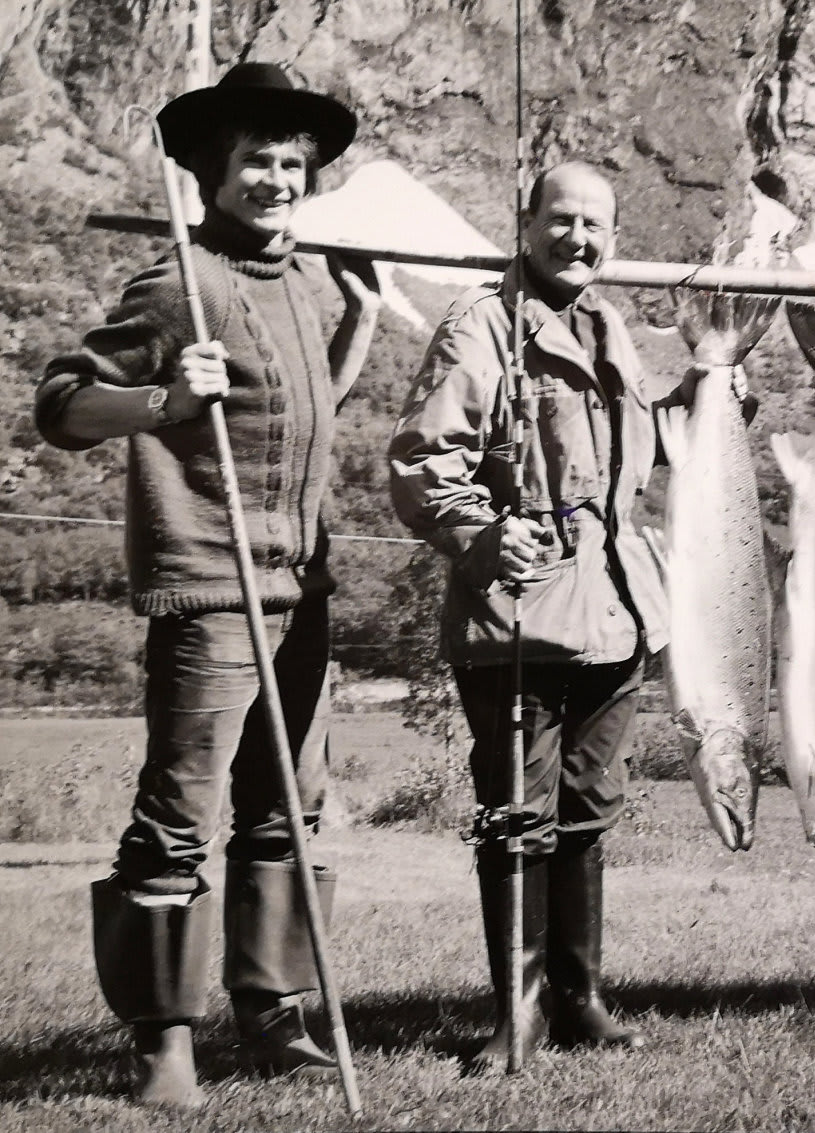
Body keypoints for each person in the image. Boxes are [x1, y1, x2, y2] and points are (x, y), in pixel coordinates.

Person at [33, 63, 381, 1107]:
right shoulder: (179, 283)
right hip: (212, 592)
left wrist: (361, 318)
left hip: (302, 590)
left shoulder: (299, 282)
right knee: (179, 815)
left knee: (288, 810)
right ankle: (164, 1045)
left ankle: (272, 1015)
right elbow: (60, 404)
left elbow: (297, 412)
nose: (278, 181)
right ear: (209, 175)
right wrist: (161, 399)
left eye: (292, 165)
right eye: (256, 162)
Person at [389, 161, 710, 1066]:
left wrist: (700, 401)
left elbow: (631, 455)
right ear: (525, 225)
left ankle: (579, 997)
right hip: (518, 619)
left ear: (614, 238)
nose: (578, 238)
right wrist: (483, 534)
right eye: (561, 219)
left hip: (620, 612)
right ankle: (517, 1010)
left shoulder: (609, 326)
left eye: (595, 225)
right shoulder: (479, 325)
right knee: (516, 814)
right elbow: (422, 462)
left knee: (589, 808)